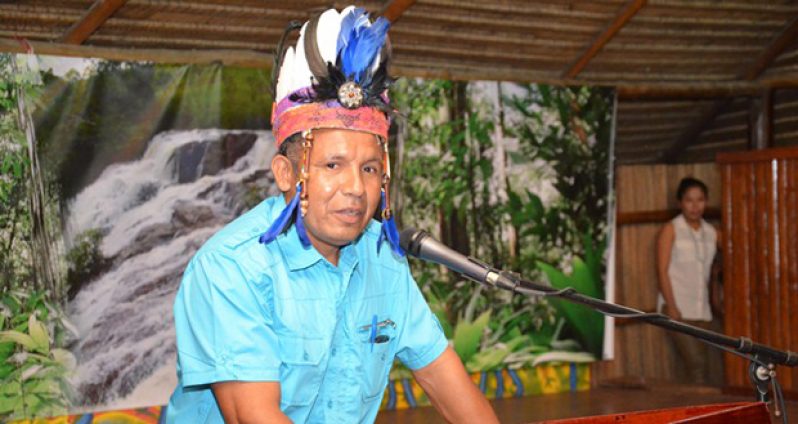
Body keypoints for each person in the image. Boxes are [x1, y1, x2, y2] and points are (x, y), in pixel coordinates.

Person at [164, 6, 499, 423]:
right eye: (332, 165)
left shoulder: (385, 261)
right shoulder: (231, 269)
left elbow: (446, 381)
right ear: (286, 174)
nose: (355, 188)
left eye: (370, 169)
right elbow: (254, 417)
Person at [656, 176, 723, 385]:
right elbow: (662, 270)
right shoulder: (672, 229)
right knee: (696, 365)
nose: (695, 206)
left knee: (708, 366)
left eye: (700, 200)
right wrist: (672, 307)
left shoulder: (711, 232)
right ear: (680, 203)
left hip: (702, 309)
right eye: (689, 200)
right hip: (678, 309)